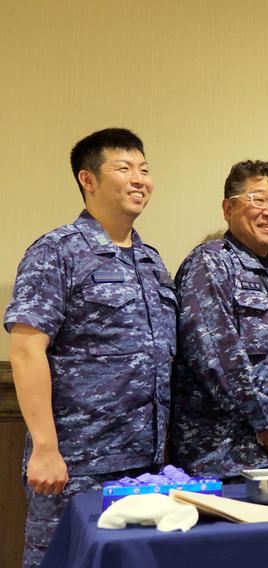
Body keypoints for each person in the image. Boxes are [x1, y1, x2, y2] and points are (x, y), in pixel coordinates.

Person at [4, 128, 175, 567]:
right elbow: (26, 350)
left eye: (145, 170)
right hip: (78, 464)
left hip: (145, 469)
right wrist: (45, 449)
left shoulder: (150, 261)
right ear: (89, 179)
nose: (139, 180)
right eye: (124, 168)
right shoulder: (57, 250)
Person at [169, 160, 268, 479]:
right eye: (259, 200)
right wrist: (263, 419)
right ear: (228, 208)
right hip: (223, 461)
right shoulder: (210, 264)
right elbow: (215, 357)